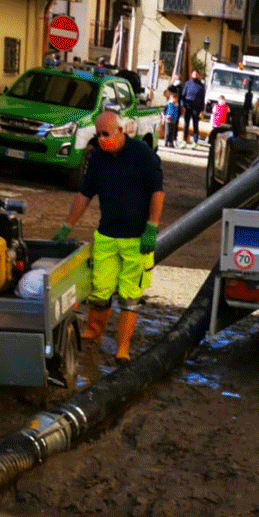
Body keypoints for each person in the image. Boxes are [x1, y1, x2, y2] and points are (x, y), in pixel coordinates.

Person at [53, 111, 165, 361]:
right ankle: (94, 331)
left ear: (121, 131)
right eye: (99, 135)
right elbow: (84, 195)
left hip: (137, 239)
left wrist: (152, 227)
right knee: (100, 290)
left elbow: (157, 192)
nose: (102, 139)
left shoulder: (143, 155)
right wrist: (66, 225)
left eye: (107, 134)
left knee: (130, 295)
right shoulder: (97, 160)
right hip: (107, 236)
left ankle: (122, 347)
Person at [180, 70, 206, 148]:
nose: (195, 75)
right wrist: (182, 106)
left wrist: (202, 110)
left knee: (195, 125)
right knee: (186, 124)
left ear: (199, 75)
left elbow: (202, 99)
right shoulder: (188, 83)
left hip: (196, 108)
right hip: (188, 107)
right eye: (194, 73)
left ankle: (195, 142)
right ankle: (184, 141)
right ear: (191, 74)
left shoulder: (201, 85)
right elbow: (183, 96)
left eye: (197, 74)